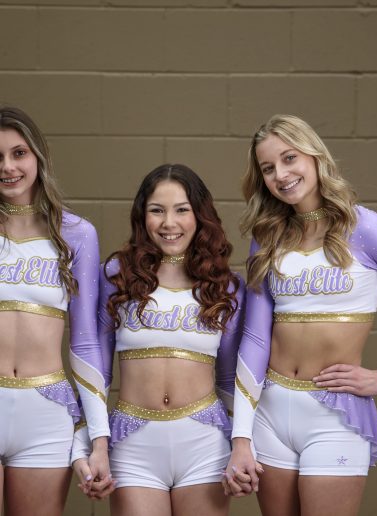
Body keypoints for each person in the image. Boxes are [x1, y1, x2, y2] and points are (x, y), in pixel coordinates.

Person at [224, 114, 377, 516]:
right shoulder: (267, 236)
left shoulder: (364, 227)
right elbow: (255, 339)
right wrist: (241, 435)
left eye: (289, 158)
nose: (281, 175)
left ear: (314, 155)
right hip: (270, 411)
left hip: (334, 414)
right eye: (268, 168)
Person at [96, 164, 245, 516]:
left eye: (181, 210)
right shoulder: (117, 277)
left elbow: (230, 379)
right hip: (133, 443)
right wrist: (94, 444)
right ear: (142, 215)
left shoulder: (224, 286)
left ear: (200, 215)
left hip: (205, 443)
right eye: (157, 210)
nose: (169, 223)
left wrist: (243, 444)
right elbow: (98, 371)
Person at [0, 106, 112, 516]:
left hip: (46, 413)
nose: (8, 167)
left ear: (38, 156)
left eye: (19, 153)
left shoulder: (76, 234)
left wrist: (98, 438)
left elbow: (85, 342)